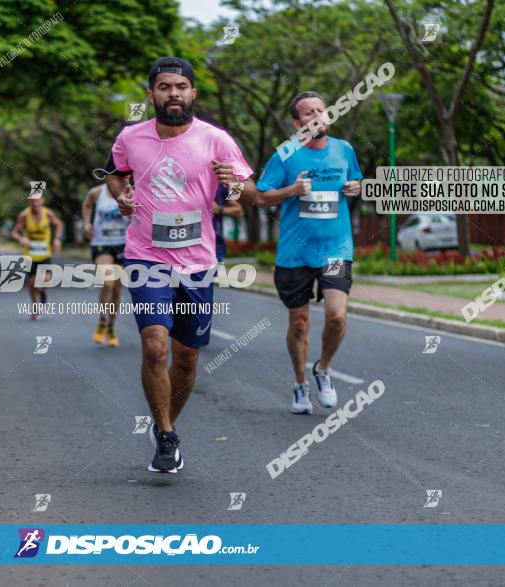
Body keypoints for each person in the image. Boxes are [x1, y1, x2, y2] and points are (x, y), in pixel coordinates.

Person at [107, 56, 256, 473]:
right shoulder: (131, 138)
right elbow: (116, 174)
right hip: (146, 255)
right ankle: (167, 433)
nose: (173, 93)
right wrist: (122, 195)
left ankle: (165, 423)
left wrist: (233, 184)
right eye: (164, 86)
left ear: (193, 93)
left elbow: (251, 195)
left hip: (197, 261)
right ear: (151, 93)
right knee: (155, 344)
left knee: (186, 356)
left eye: (180, 87)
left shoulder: (217, 139)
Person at [255, 91, 363, 415]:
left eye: (320, 110)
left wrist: (356, 186)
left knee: (337, 316)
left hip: (335, 249)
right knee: (299, 324)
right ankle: (300, 383)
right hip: (295, 253)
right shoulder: (286, 153)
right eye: (307, 113)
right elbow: (261, 197)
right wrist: (291, 190)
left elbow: (355, 178)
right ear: (296, 122)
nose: (315, 116)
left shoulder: (344, 149)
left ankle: (323, 369)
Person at [82, 180, 129, 346]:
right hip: (101, 243)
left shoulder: (131, 190)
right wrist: (87, 223)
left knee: (116, 290)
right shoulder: (97, 192)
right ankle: (102, 320)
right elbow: (87, 204)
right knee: (107, 283)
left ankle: (111, 326)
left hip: (123, 244)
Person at [11, 194, 64, 320]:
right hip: (30, 254)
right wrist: (21, 238)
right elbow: (14, 232)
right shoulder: (24, 215)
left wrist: (56, 239)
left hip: (44, 253)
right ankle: (36, 308)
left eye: (38, 200)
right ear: (29, 201)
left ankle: (43, 292)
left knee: (45, 279)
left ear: (42, 201)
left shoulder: (48, 213)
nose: (35, 203)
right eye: (32, 201)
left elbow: (59, 224)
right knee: (32, 282)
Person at [212, 184, 244, 263]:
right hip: (188, 237)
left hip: (215, 241)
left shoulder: (222, 182)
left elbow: (239, 211)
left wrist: (219, 210)